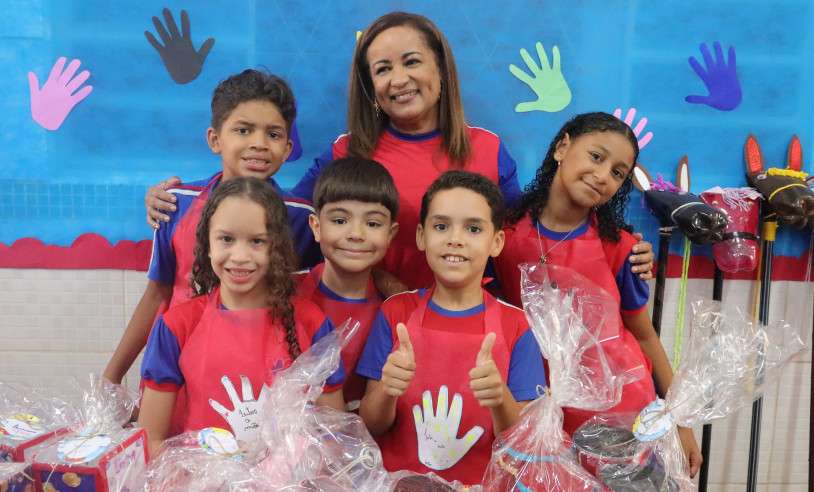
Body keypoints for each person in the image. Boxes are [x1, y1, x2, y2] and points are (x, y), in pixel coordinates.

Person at [142, 12, 655, 294]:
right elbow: (275, 215)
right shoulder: (347, 151)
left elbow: (528, 234)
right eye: (382, 69)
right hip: (371, 329)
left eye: (411, 62)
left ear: (441, 71)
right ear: (370, 87)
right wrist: (186, 200)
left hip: (470, 327)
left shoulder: (488, 148)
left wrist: (618, 245)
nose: (399, 78)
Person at [493, 112, 702, 477]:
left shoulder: (621, 248)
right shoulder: (501, 238)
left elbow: (645, 337)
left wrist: (681, 423)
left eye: (618, 173)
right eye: (596, 156)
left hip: (623, 421)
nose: (604, 176)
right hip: (541, 417)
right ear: (562, 147)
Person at [103, 69, 320, 385]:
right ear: (216, 139)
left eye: (273, 134)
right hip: (178, 377)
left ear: (287, 149)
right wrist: (110, 380)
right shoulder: (175, 204)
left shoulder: (301, 218)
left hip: (264, 384)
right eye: (243, 130)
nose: (259, 144)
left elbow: (322, 293)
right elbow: (157, 294)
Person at [356, 171, 546, 485]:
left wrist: (500, 399)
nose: (455, 238)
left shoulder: (517, 325)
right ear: (421, 236)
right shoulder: (395, 311)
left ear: (496, 242)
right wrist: (388, 390)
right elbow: (370, 426)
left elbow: (521, 443)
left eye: (473, 228)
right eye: (441, 226)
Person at [137, 177, 345, 455]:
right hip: (202, 478)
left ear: (276, 247)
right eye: (226, 239)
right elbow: (151, 441)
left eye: (257, 241)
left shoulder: (312, 322)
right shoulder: (176, 326)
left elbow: (334, 438)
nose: (240, 256)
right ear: (207, 244)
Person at [295, 156, 399, 411]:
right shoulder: (286, 294)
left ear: (390, 234)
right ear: (316, 227)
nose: (355, 234)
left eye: (372, 223)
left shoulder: (396, 309)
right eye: (340, 221)